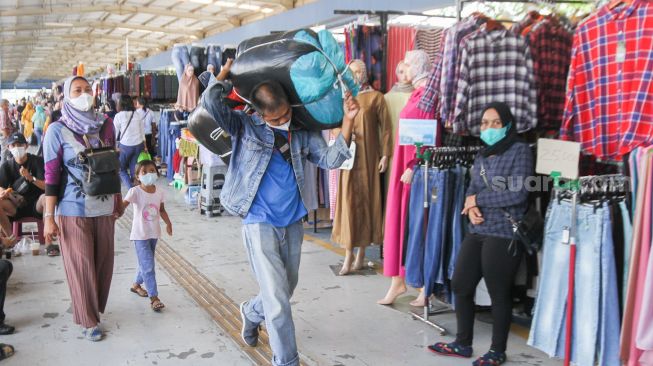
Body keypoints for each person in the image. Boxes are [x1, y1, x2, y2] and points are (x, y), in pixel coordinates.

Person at [200, 59, 357, 366]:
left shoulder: (300, 130)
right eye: (276, 118)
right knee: (278, 303)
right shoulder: (243, 126)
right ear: (260, 114)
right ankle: (286, 360)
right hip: (259, 221)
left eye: (286, 113)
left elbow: (330, 159)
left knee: (286, 289)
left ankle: (249, 311)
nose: (284, 120)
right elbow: (211, 105)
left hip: (293, 220)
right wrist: (222, 76)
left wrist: (348, 122)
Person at [428, 102, 533, 366]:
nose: (488, 128)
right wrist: (470, 205)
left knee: (499, 293)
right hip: (478, 229)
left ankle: (497, 351)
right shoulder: (483, 155)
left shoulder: (519, 151)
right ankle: (463, 343)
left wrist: (478, 201)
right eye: (484, 123)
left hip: (503, 232)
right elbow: (471, 189)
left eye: (495, 123)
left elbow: (517, 193)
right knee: (461, 284)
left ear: (507, 125)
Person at [43, 75, 122, 342]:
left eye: (87, 89)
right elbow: (51, 176)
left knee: (103, 264)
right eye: (77, 90)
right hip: (71, 207)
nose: (84, 93)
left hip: (104, 207)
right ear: (66, 95)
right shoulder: (57, 130)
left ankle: (90, 307)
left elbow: (113, 166)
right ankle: (88, 320)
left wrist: (118, 199)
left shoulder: (106, 125)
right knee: (81, 265)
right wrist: (48, 218)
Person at [121, 160, 172, 312]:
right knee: (148, 266)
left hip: (153, 233)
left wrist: (168, 223)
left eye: (152, 170)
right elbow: (123, 205)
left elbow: (161, 210)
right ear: (137, 176)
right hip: (139, 235)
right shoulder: (135, 191)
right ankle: (154, 298)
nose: (149, 174)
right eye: (144, 172)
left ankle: (136, 285)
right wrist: (115, 213)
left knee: (145, 263)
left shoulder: (160, 191)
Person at [0, 133, 54, 252]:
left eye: (19, 144)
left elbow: (47, 186)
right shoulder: (7, 166)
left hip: (36, 204)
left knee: (46, 198)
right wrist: (4, 192)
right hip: (16, 206)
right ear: (8, 148)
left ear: (26, 146)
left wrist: (30, 178)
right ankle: (11, 240)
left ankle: (48, 242)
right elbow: (0, 186)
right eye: (13, 145)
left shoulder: (37, 161)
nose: (16, 148)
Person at [114, 94, 144, 188]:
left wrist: (114, 146)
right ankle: (137, 192)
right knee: (133, 170)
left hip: (126, 146)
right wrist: (145, 145)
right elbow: (142, 131)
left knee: (121, 169)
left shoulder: (119, 116)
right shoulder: (137, 114)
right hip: (139, 145)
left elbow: (114, 133)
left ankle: (131, 190)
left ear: (121, 104)